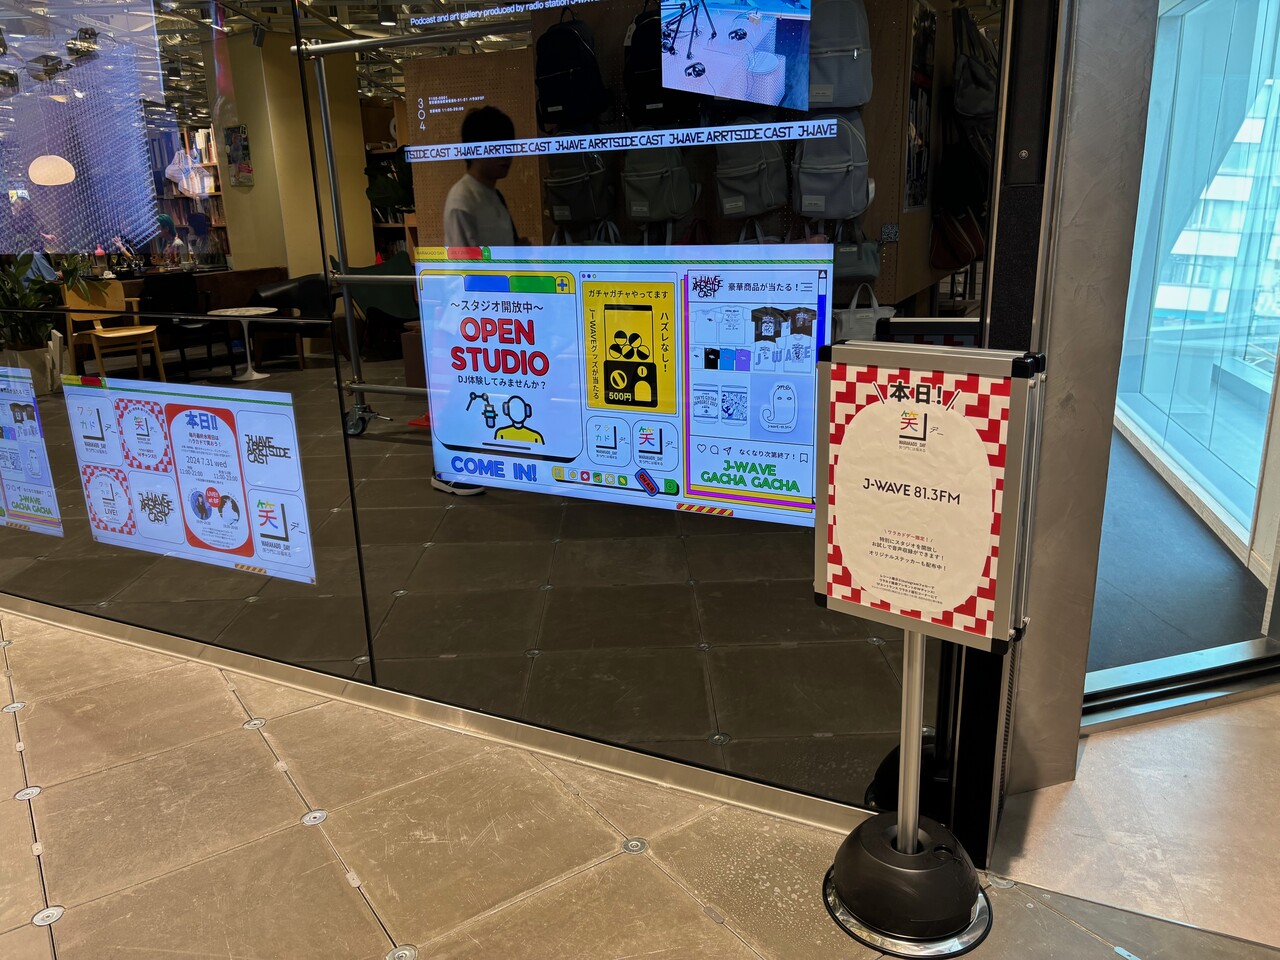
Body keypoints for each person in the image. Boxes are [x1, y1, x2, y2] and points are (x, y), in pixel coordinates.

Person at [428, 106, 527, 495]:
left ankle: (473, 457)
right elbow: (463, 268)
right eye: (499, 147)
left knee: (482, 389)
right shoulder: (462, 198)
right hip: (472, 314)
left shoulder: (493, 195)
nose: (508, 156)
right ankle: (446, 470)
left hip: (496, 311)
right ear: (476, 149)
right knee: (464, 391)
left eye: (510, 146)